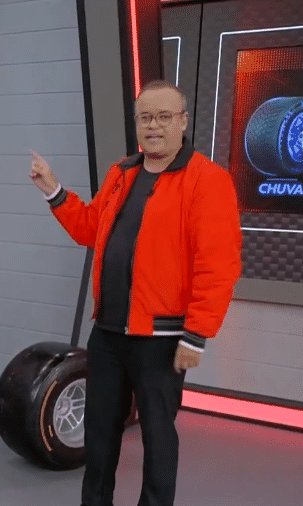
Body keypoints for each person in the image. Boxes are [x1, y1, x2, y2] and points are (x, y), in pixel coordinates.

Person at [30, 80, 242, 506]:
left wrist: (196, 336)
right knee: (99, 434)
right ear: (136, 123)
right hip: (108, 335)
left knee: (158, 437)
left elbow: (218, 266)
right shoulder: (121, 173)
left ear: (183, 121)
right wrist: (54, 191)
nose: (154, 126)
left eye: (164, 117)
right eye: (145, 118)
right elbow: (91, 229)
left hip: (162, 340)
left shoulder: (209, 181)